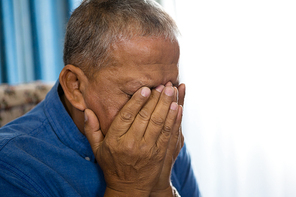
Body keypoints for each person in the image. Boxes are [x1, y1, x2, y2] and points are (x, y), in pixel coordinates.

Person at [0, 0, 200, 196]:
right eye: (140, 93)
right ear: (75, 86)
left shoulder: (164, 134)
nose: (160, 110)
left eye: (170, 89)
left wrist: (162, 188)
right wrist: (127, 188)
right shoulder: (9, 165)